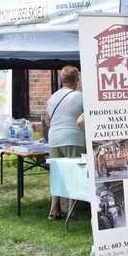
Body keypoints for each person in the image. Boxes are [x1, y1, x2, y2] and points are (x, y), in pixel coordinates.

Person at [45, 66, 86, 220]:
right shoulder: (79, 96)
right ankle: (70, 210)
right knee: (74, 173)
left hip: (54, 138)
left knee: (57, 174)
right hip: (73, 137)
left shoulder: (52, 97)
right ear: (76, 80)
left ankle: (53, 210)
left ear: (62, 80)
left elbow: (48, 120)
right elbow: (86, 118)